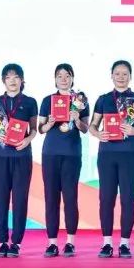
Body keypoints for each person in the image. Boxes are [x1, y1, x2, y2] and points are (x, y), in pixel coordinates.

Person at [90, 60, 134, 258]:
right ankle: (106, 243)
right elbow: (92, 125)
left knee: (128, 198)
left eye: (125, 73)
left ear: (130, 76)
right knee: (106, 198)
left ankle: (125, 243)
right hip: (107, 155)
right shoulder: (103, 99)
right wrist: (98, 134)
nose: (121, 77)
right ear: (111, 75)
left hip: (130, 155)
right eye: (117, 73)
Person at [38, 63, 90, 257]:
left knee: (70, 197)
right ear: (55, 79)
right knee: (51, 198)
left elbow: (85, 129)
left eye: (67, 75)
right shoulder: (47, 100)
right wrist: (50, 123)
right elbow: (41, 129)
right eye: (59, 75)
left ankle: (70, 242)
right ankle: (52, 243)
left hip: (72, 154)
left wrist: (76, 120)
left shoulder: (80, 100)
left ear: (72, 78)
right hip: (50, 153)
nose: (63, 79)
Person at [0, 63, 38, 258]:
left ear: (21, 80)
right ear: (3, 80)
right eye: (8, 77)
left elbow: (34, 129)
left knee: (20, 199)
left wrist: (27, 140)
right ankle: (2, 241)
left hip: (21, 156)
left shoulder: (30, 102)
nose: (12, 80)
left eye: (16, 77)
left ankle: (16, 242)